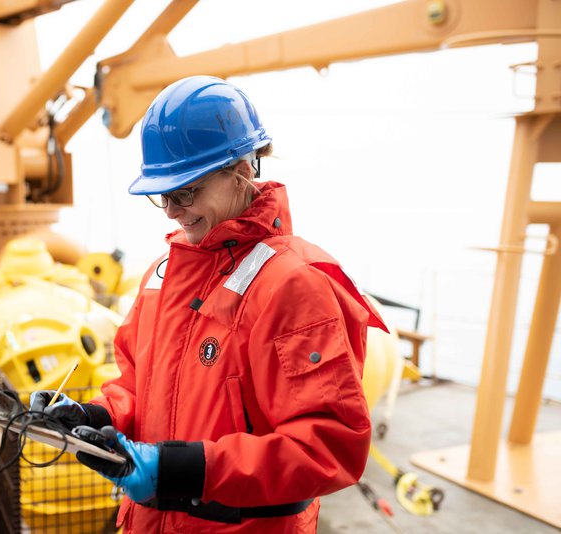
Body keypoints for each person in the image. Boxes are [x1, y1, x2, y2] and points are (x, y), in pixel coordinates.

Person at [29, 75, 388, 533]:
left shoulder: (293, 285)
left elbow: (327, 447)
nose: (173, 211)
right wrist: (94, 416)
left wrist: (182, 470)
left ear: (241, 169)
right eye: (163, 195)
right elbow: (138, 384)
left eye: (186, 191)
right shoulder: (163, 274)